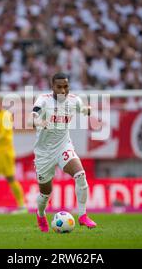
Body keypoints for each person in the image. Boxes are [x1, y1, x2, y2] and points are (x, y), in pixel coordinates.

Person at [28, 72, 97, 232]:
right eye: (59, 87)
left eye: (65, 86)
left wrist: (87, 110)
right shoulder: (43, 100)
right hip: (44, 153)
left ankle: (83, 215)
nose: (63, 90)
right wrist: (39, 121)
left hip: (63, 146)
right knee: (45, 194)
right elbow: (31, 119)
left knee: (80, 174)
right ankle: (40, 214)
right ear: (52, 86)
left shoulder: (74, 100)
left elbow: (83, 109)